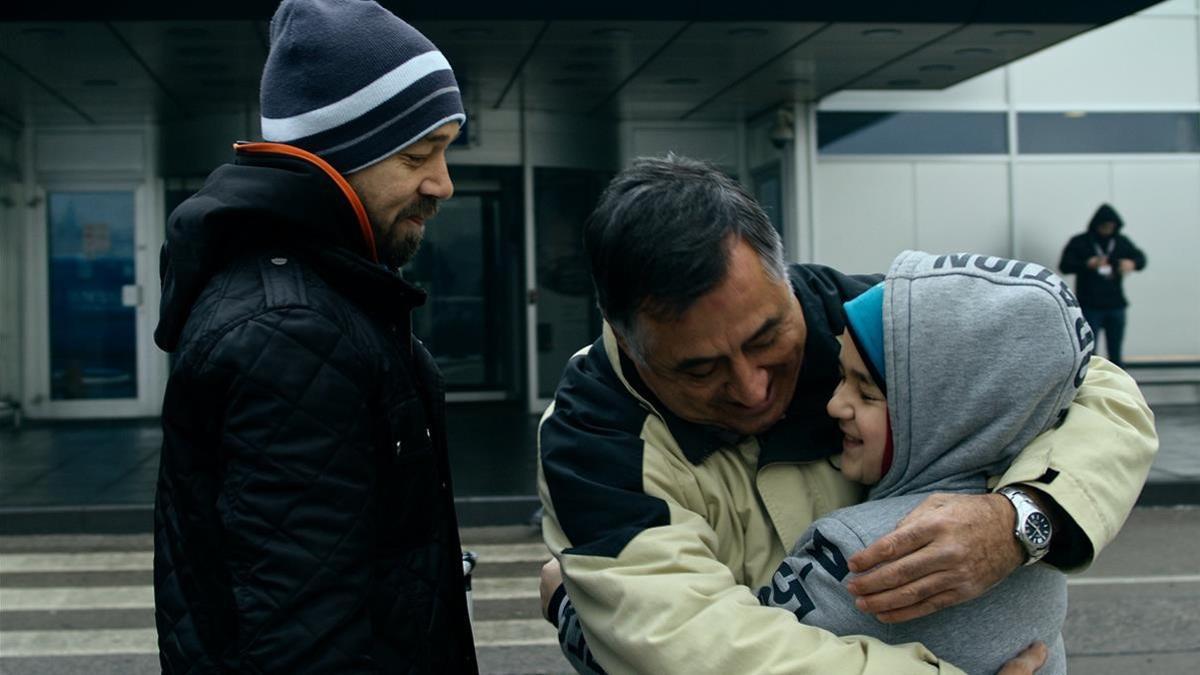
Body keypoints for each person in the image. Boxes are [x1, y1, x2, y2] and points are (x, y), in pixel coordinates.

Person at [537, 155, 1157, 674]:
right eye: (700, 370)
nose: (751, 389)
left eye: (766, 338)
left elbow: (1098, 388)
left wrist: (1022, 518)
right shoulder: (591, 440)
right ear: (625, 340)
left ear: (782, 274)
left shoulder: (869, 317)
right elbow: (688, 644)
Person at [153, 0, 476, 672]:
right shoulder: (292, 333)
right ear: (338, 156)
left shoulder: (321, 297)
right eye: (420, 153)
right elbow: (305, 640)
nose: (442, 183)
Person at [759, 250, 1095, 675]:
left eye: (867, 393)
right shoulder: (1039, 535)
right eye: (840, 377)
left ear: (951, 412)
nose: (835, 405)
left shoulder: (860, 547)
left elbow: (739, 652)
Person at [1059, 203, 1147, 368]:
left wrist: (1132, 263)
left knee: (1116, 351)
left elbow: (1142, 259)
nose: (1107, 229)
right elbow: (1065, 265)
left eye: (1111, 227)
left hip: (1115, 305)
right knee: (1088, 352)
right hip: (1090, 305)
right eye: (1104, 226)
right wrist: (1087, 263)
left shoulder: (1121, 242)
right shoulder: (1081, 242)